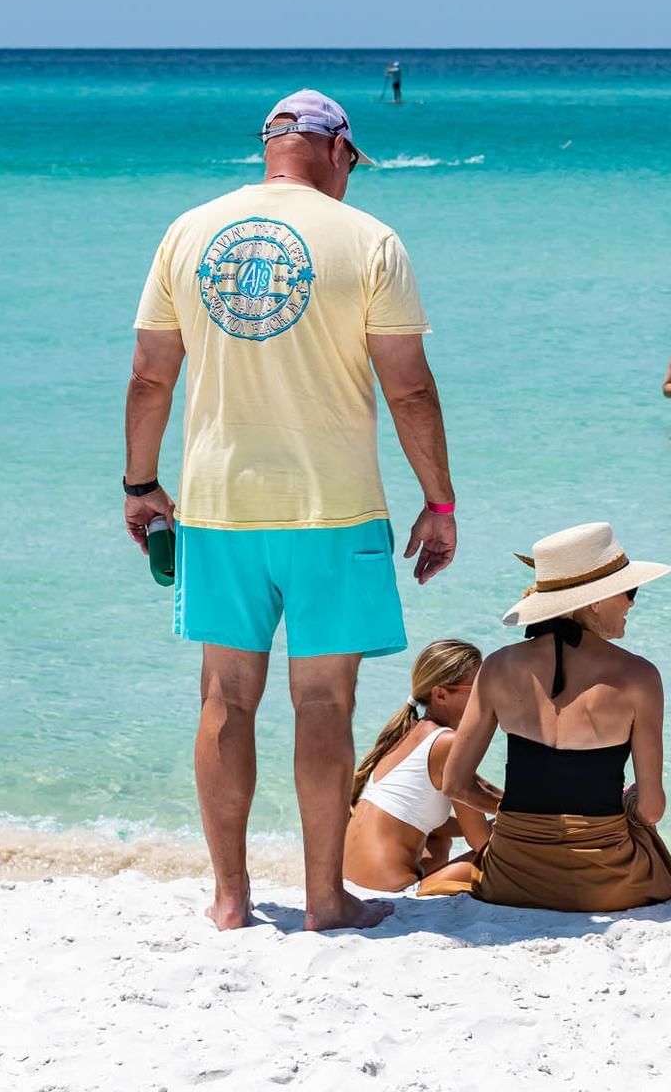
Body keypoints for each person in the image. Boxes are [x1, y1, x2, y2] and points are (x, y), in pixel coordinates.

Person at [125, 89, 459, 932]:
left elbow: (150, 377)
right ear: (339, 150)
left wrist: (139, 487)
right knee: (324, 706)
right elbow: (409, 389)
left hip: (217, 506)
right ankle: (322, 899)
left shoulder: (188, 231)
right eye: (352, 162)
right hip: (335, 511)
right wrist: (439, 500)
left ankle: (230, 900)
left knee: (226, 702)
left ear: (267, 146)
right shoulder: (370, 239)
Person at [438, 523, 671, 911]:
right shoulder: (638, 677)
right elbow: (651, 810)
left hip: (512, 875)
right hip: (604, 881)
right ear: (595, 601)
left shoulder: (497, 667)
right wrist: (632, 799)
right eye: (629, 592)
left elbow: (455, 783)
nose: (633, 604)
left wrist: (519, 810)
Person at [344, 640, 495, 895]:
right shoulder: (445, 743)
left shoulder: (405, 733)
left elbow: (415, 814)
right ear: (440, 694)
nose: (487, 695)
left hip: (352, 883)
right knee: (499, 860)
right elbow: (481, 842)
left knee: (439, 839)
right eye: (479, 688)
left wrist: (503, 816)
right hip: (394, 891)